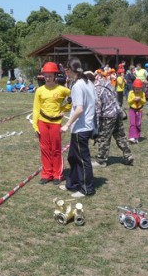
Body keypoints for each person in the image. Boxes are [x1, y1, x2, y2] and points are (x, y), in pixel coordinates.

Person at [60, 57, 96, 198]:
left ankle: (87, 188)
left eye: (66, 70)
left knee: (82, 159)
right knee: (73, 157)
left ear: (70, 70)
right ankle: (73, 183)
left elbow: (79, 108)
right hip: (84, 126)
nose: (65, 73)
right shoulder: (88, 82)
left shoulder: (78, 85)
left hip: (81, 128)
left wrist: (67, 124)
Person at [33, 62, 71, 185]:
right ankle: (46, 174)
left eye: (50, 75)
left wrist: (64, 108)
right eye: (46, 75)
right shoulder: (39, 90)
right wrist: (35, 126)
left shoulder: (62, 90)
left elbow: (73, 98)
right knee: (44, 149)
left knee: (56, 149)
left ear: (55, 76)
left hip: (55, 123)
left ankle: (57, 174)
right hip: (42, 122)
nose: (48, 78)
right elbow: (36, 108)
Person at [92, 72, 135, 167]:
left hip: (107, 116)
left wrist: (97, 123)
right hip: (117, 112)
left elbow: (98, 107)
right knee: (121, 136)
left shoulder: (96, 89)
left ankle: (101, 160)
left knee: (103, 138)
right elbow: (115, 95)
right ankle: (128, 155)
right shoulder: (106, 83)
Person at [127, 79, 146, 144]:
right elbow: (129, 101)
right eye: (136, 89)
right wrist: (133, 99)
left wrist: (140, 99)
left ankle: (137, 137)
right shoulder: (131, 93)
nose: (137, 90)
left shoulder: (142, 93)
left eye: (139, 89)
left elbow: (144, 102)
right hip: (132, 109)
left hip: (139, 110)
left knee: (138, 124)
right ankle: (132, 137)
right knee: (132, 123)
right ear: (133, 87)